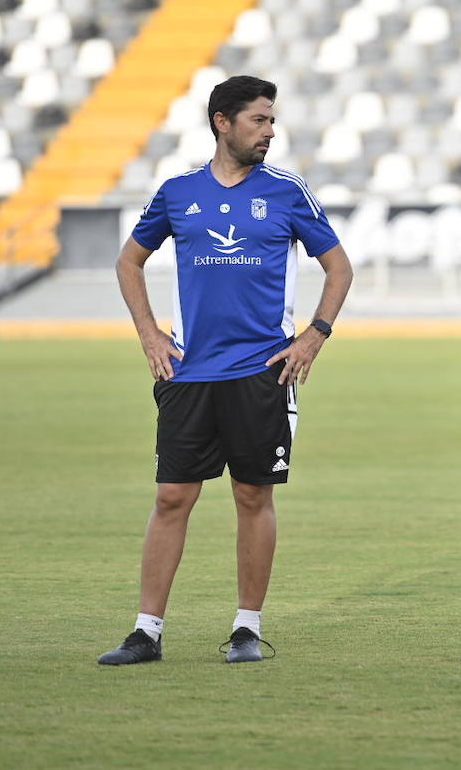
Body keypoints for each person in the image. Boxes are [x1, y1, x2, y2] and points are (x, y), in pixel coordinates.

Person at [98, 75, 352, 666]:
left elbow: (338, 268)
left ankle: (245, 627)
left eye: (271, 120)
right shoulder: (178, 192)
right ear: (222, 122)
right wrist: (148, 332)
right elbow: (129, 261)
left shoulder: (288, 192)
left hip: (262, 373)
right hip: (189, 373)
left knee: (252, 495)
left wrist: (315, 334)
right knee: (170, 498)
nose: (270, 130)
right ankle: (146, 632)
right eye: (259, 119)